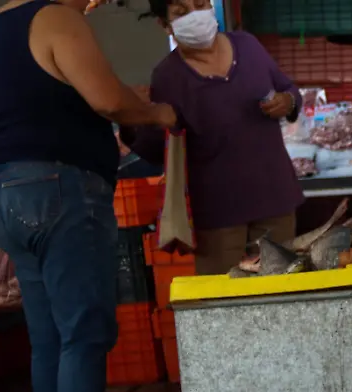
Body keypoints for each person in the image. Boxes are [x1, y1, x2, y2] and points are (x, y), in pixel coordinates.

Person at [0, 0, 177, 392]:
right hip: (60, 186)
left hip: (4, 188)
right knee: (84, 332)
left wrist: (19, 179)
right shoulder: (57, 18)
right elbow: (107, 100)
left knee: (49, 335)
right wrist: (155, 112)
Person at [123, 0, 305, 275]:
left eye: (200, 4)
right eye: (181, 12)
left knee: (282, 291)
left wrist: (287, 101)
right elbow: (154, 149)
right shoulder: (168, 77)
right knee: (224, 300)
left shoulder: (248, 46)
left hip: (274, 196)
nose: (195, 15)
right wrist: (132, 116)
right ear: (164, 24)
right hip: (217, 215)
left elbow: (288, 89)